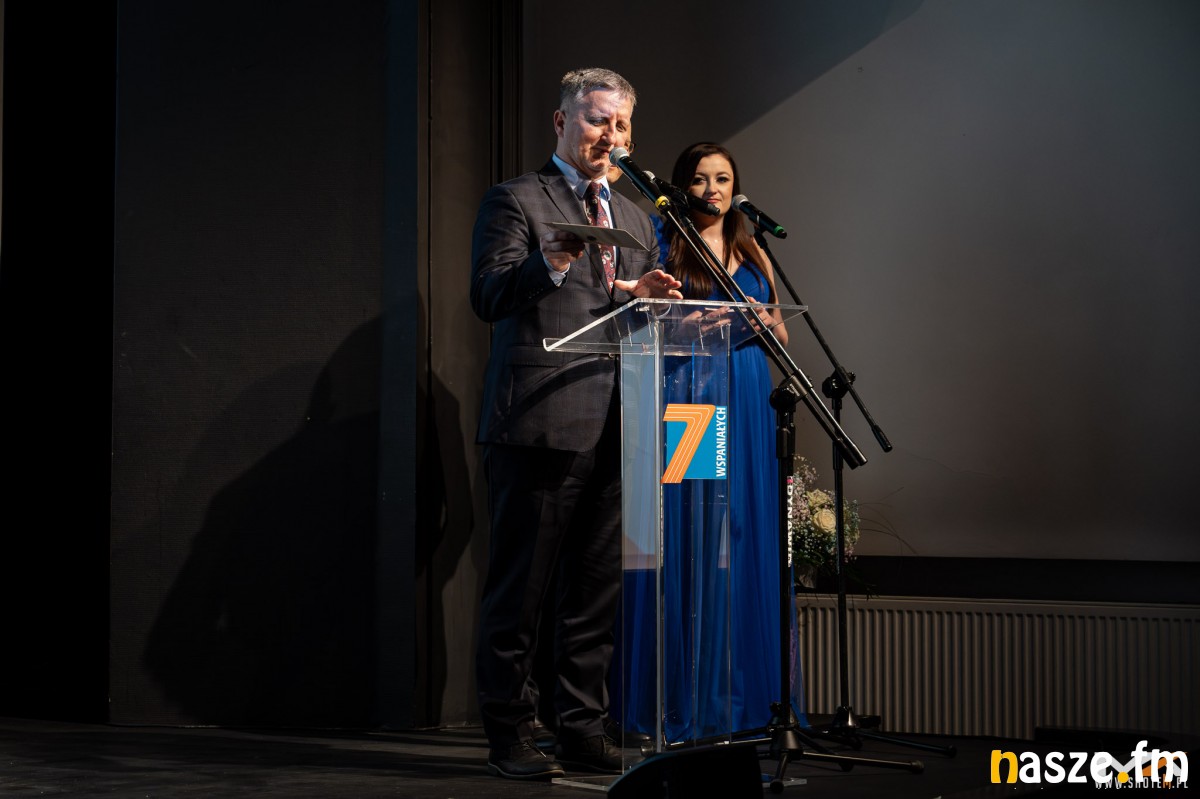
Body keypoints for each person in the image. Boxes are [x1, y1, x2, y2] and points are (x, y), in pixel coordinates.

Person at [469, 67, 682, 781]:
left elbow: (618, 312)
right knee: (521, 591)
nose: (610, 136)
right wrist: (551, 260)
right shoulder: (517, 199)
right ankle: (510, 731)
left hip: (619, 422)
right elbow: (488, 295)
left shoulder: (638, 218)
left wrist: (644, 297)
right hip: (540, 420)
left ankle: (581, 727)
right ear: (562, 123)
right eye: (597, 120)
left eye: (621, 125)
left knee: (594, 593)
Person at [624, 142, 802, 742]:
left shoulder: (752, 248)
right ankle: (685, 696)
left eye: (722, 178)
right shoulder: (664, 239)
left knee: (740, 532)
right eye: (700, 179)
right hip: (692, 396)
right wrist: (694, 322)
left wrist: (759, 318)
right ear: (681, 187)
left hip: (746, 392)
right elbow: (643, 317)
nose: (712, 190)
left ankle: (738, 697)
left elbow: (780, 329)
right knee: (696, 536)